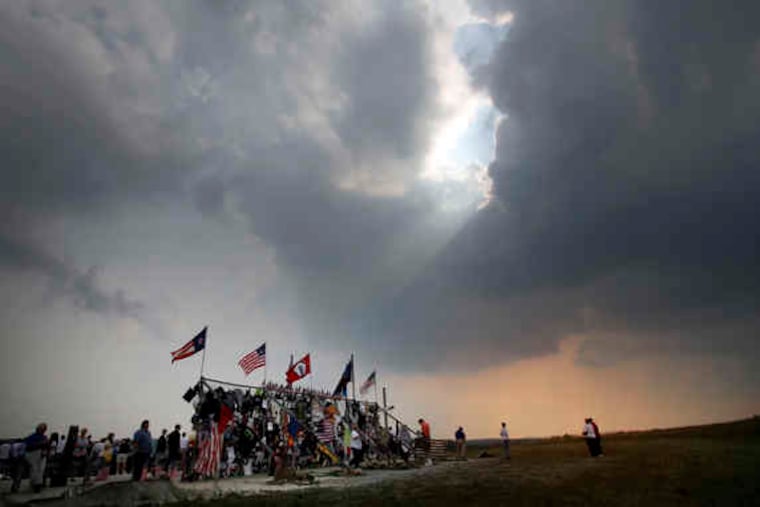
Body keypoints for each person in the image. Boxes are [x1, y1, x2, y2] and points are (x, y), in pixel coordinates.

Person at [24, 423, 49, 493]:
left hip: (40, 456)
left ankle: (36, 485)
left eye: (43, 429)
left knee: (39, 470)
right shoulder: (32, 437)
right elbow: (27, 446)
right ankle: (36, 485)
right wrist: (40, 445)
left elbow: (46, 447)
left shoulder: (44, 438)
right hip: (33, 455)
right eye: (42, 429)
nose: (43, 430)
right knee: (36, 469)